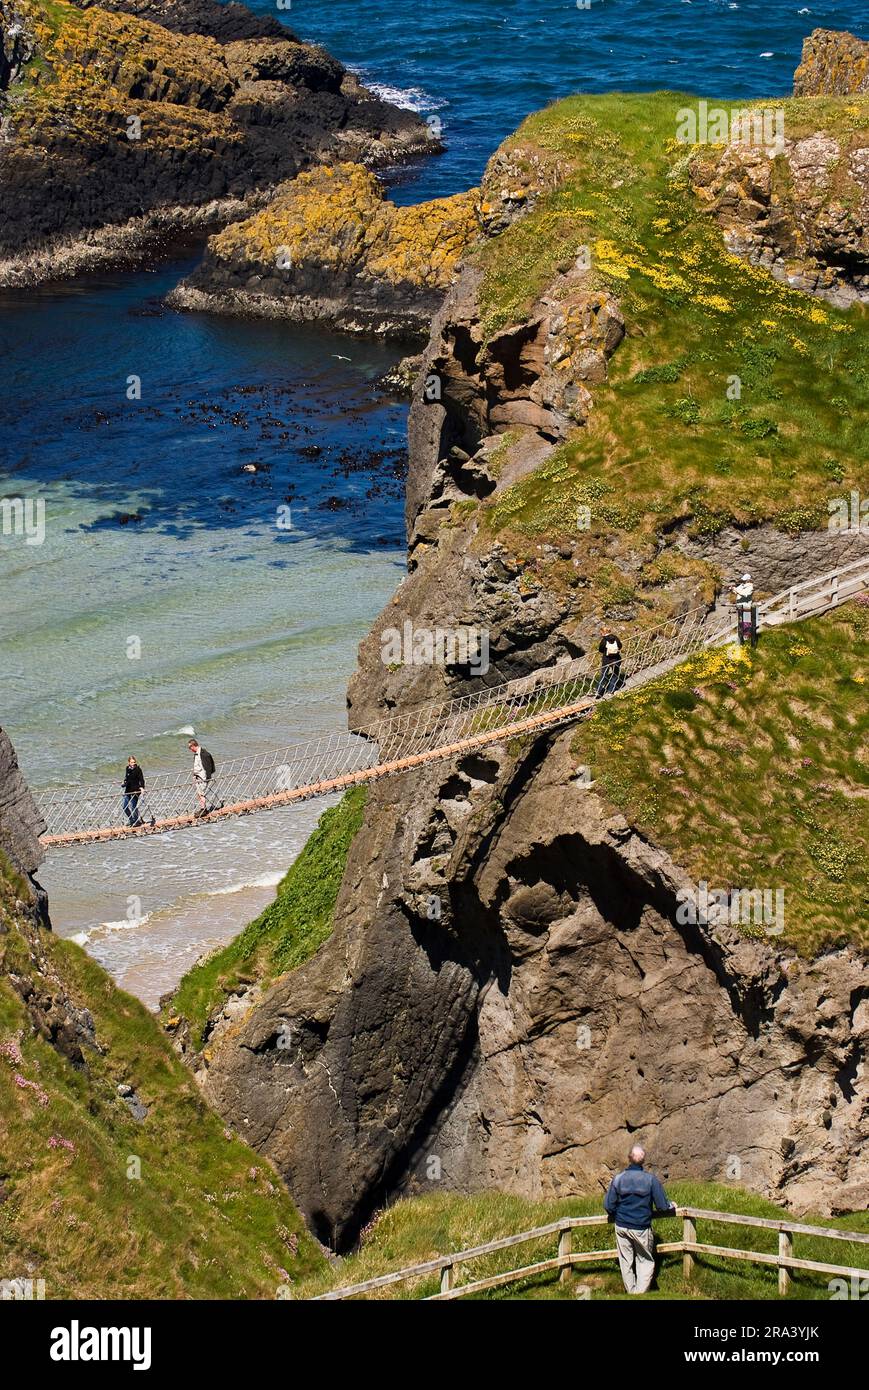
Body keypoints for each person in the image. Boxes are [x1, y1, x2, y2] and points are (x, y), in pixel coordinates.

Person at [604, 1145, 676, 1294]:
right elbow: (662, 1206)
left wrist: (619, 1214)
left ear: (629, 1158)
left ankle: (631, 1293)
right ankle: (640, 1294)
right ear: (643, 1161)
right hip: (641, 1228)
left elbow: (608, 1205)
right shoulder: (650, 1180)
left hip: (622, 1226)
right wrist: (671, 1206)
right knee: (645, 1261)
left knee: (625, 1262)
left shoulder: (618, 1179)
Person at [188, 738, 216, 817]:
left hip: (202, 778)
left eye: (189, 748)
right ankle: (203, 808)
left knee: (201, 794)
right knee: (199, 794)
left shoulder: (204, 754)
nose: (190, 750)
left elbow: (209, 765)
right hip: (198, 777)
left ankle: (203, 810)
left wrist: (207, 777)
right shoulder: (197, 753)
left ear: (193, 746)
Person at [596, 627, 623, 698]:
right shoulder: (615, 638)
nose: (600, 634)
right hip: (616, 659)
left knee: (603, 675)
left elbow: (600, 649)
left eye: (601, 632)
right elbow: (620, 646)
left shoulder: (604, 640)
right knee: (615, 675)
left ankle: (598, 691)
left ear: (603, 632)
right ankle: (610, 691)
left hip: (606, 660)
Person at [122, 756, 145, 827]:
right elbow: (126, 778)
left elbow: (141, 779)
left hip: (135, 790)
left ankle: (136, 821)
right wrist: (124, 783)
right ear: (129, 762)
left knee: (133, 806)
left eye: (134, 762)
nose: (133, 764)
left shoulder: (138, 769)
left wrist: (142, 787)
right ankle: (131, 819)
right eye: (132, 762)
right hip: (128, 790)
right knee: (124, 806)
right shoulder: (127, 768)